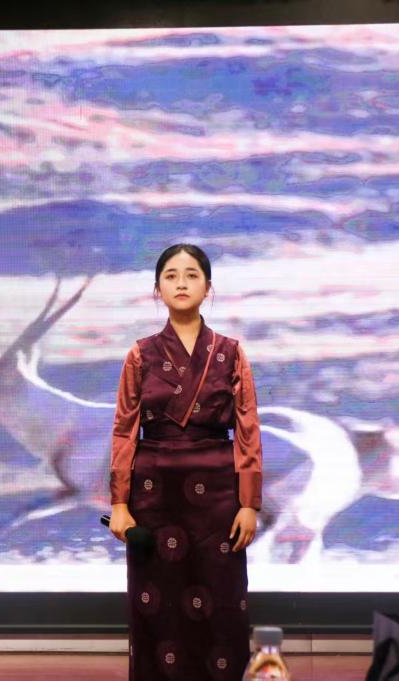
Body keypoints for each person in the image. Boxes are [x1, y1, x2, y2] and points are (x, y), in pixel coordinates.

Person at [108, 244, 262, 681]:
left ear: (208, 287)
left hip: (217, 497)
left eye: (192, 275)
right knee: (157, 609)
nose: (181, 283)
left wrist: (249, 503)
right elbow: (124, 431)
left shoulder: (231, 352)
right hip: (154, 496)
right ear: (157, 289)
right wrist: (119, 503)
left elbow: (247, 430)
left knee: (222, 605)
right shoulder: (140, 355)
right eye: (171, 275)